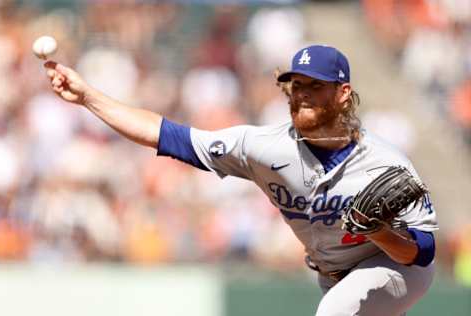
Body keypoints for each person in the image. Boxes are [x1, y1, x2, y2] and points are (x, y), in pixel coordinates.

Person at [44, 45, 437, 315]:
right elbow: (167, 135)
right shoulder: (263, 147)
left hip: (394, 266)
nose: (301, 94)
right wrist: (87, 97)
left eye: (315, 86)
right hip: (331, 276)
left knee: (335, 311)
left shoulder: (385, 164)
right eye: (296, 85)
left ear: (343, 94)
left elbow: (422, 252)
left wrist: (381, 233)